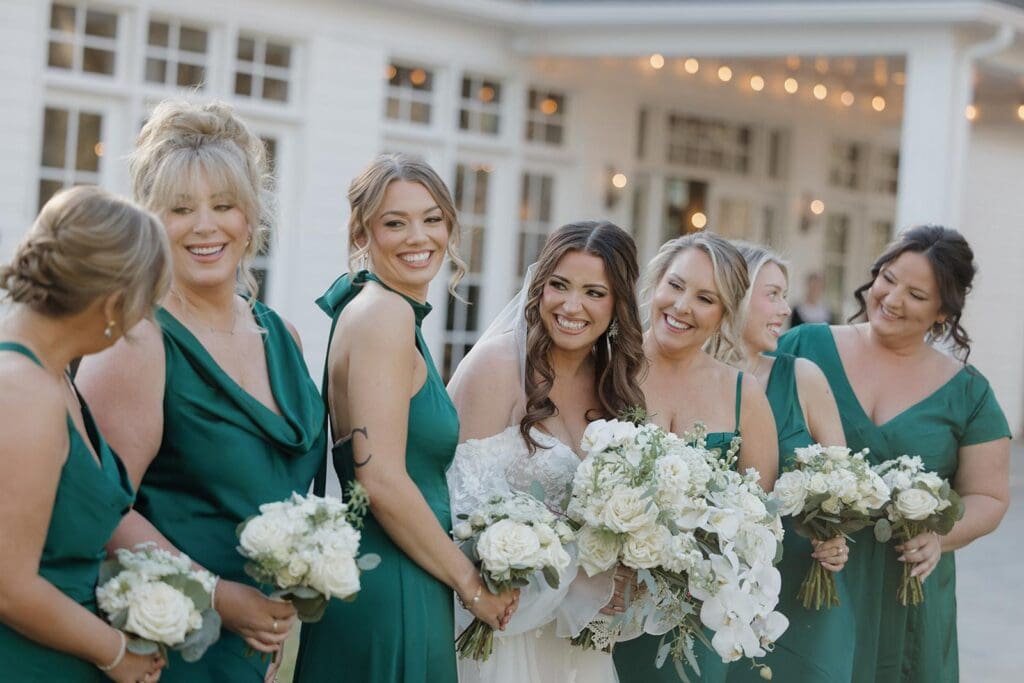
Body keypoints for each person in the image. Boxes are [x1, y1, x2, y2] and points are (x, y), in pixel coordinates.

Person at [76, 100, 327, 681]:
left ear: (250, 216)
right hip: (168, 644)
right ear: (151, 221)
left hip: (252, 646)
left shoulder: (282, 335)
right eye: (181, 208)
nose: (206, 226)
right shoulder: (136, 342)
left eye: (224, 205)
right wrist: (218, 597)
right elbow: (98, 509)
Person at [294, 153, 516, 683]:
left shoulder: (373, 307)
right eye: (395, 223)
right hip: (392, 578)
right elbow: (381, 480)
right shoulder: (385, 314)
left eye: (432, 219)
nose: (419, 237)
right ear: (362, 232)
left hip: (389, 568)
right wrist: (473, 587)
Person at [777, 225, 1011, 683]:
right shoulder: (802, 347)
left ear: (943, 312)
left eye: (916, 295)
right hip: (808, 574)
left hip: (904, 592)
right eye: (888, 278)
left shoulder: (969, 393)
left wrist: (940, 537)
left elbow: (990, 495)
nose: (892, 298)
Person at [446, 220, 647, 683]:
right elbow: (456, 508)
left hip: (578, 639)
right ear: (539, 287)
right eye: (559, 285)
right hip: (502, 628)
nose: (571, 306)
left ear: (618, 303)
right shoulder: (497, 367)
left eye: (594, 292)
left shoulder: (616, 389)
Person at [0, 186, 170, 682]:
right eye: (144, 304)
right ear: (114, 304)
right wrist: (117, 652)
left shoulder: (54, 377)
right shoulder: (23, 391)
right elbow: (9, 585)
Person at [614, 231, 779, 683]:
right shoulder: (605, 367)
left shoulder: (744, 394)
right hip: (599, 600)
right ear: (655, 284)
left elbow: (758, 523)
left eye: (705, 298)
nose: (682, 306)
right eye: (675, 285)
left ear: (725, 314)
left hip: (694, 621)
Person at [726, 243, 852, 683]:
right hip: (713, 593)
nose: (784, 309)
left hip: (801, 588)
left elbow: (844, 481)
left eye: (785, 296)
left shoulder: (802, 377)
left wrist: (836, 534)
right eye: (773, 295)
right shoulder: (693, 380)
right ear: (735, 297)